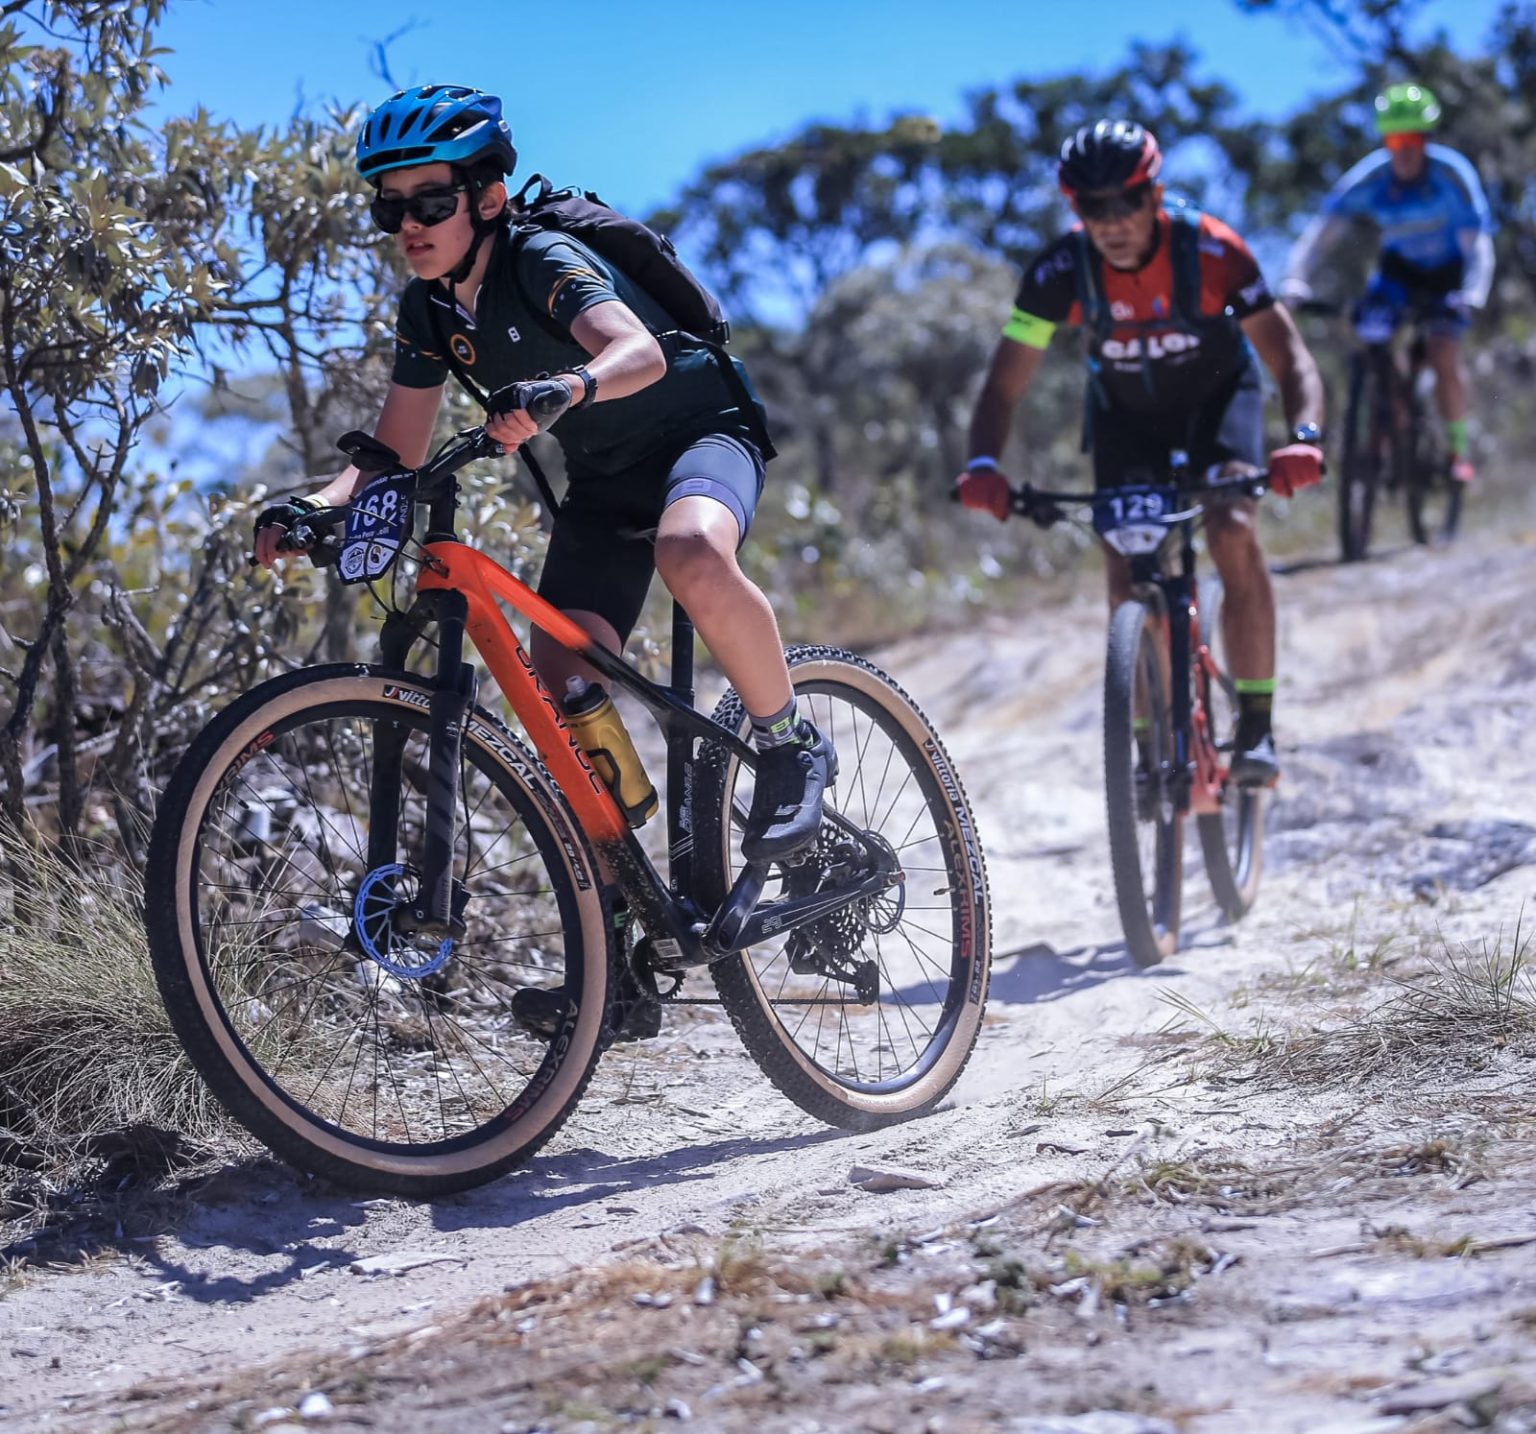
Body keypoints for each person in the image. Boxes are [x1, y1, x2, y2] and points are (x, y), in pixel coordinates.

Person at [252, 84, 834, 868]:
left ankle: (792, 745)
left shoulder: (538, 259)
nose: (410, 224)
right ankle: (622, 888)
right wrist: (313, 507)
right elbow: (394, 454)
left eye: (430, 202)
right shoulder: (427, 311)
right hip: (604, 478)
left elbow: (640, 353)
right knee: (557, 675)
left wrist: (567, 386)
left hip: (702, 433)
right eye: (391, 207)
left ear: (488, 199)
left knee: (691, 550)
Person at [955, 119, 1325, 786]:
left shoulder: (1214, 252)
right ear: (1075, 209)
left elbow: (1290, 359)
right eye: (1092, 207)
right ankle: (1150, 746)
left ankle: (1257, 723)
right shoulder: (1060, 272)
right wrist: (983, 464)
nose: (1112, 222)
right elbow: (1004, 385)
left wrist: (1303, 439)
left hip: (1218, 399)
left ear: (1154, 194)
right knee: (1125, 561)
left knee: (1231, 526)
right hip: (1127, 415)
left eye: (1126, 201)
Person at [1280, 82, 1494, 484]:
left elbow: (1478, 245)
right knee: (1373, 343)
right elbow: (1322, 233)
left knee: (1443, 352)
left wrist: (1473, 293)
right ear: (1385, 141)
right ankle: (1384, 427)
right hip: (1398, 273)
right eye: (1396, 141)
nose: (1405, 151)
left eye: (1413, 140)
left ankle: (1457, 450)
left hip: (1449, 275)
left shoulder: (1451, 175)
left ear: (1427, 140)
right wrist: (1295, 278)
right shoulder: (1370, 178)